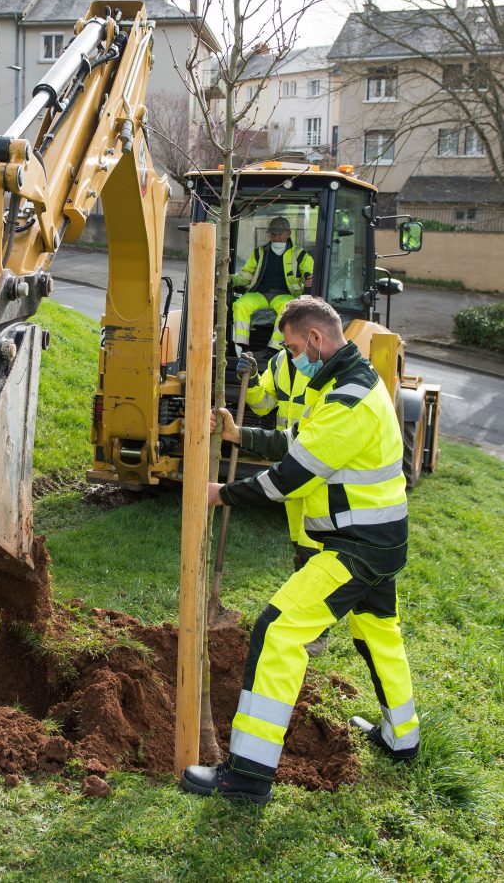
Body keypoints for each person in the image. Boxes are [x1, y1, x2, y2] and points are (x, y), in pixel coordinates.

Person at [184, 296, 418, 806]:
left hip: (357, 547)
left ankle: (246, 776)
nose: (290, 358)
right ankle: (403, 739)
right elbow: (299, 440)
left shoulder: (348, 398)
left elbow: (290, 478)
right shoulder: (342, 382)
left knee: (277, 633)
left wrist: (219, 494)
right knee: (379, 634)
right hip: (380, 539)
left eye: (292, 347)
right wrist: (238, 433)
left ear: (315, 338)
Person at [221, 347, 329, 656]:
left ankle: (317, 631)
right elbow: (264, 403)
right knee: (300, 548)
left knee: (315, 552)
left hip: (319, 463)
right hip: (290, 459)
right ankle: (303, 619)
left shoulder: (329, 365)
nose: (290, 348)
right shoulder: (281, 362)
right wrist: (252, 376)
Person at [231, 216, 313, 355]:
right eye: (273, 234)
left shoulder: (300, 255)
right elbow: (247, 275)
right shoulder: (259, 253)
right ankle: (242, 347)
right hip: (260, 293)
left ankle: (274, 349)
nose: (276, 238)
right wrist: (230, 280)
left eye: (279, 234)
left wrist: (309, 279)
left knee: (287, 308)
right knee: (240, 304)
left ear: (288, 234)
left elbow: (310, 273)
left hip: (285, 295)